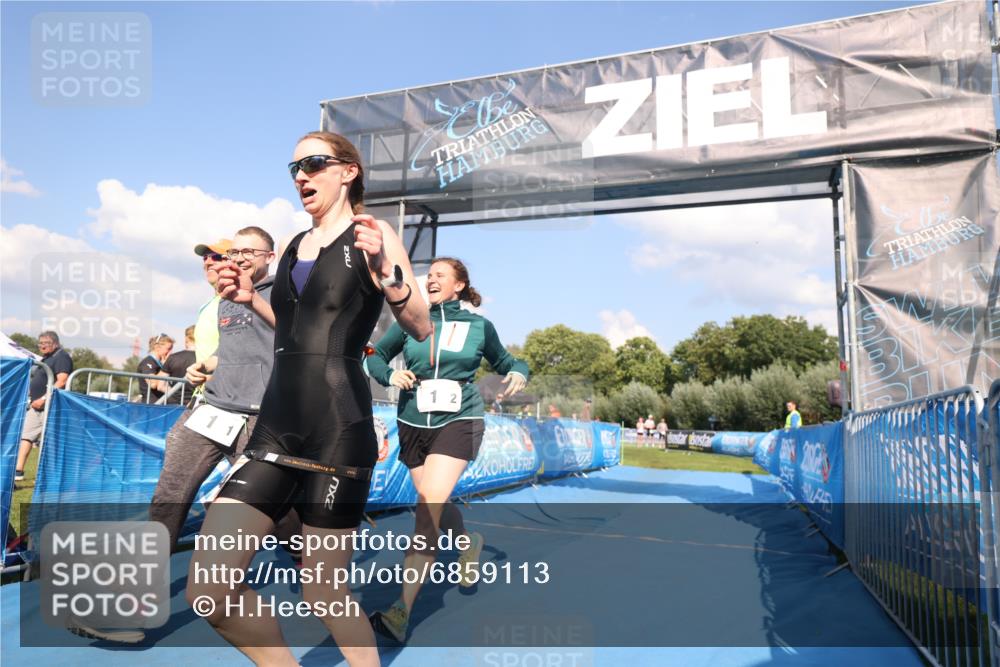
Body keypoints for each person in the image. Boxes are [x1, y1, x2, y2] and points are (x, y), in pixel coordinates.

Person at [186, 131, 430, 667]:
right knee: (210, 590)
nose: (301, 175)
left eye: (314, 163)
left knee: (323, 592)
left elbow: (420, 325)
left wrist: (388, 274)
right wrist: (250, 299)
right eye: (294, 167)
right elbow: (298, 331)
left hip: (337, 432)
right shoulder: (296, 244)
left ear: (348, 171)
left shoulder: (372, 233)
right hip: (275, 429)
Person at [365, 256, 529, 643]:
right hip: (412, 422)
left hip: (460, 420)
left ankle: (400, 611)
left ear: (459, 286)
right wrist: (390, 374)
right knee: (431, 502)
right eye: (430, 275)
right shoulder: (410, 321)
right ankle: (467, 542)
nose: (432, 279)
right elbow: (375, 356)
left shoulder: (479, 326)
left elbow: (509, 360)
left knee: (427, 511)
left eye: (441, 275)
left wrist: (519, 371)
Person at [150, 227, 292, 554]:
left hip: (260, 417)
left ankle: (301, 552)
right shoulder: (225, 297)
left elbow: (296, 335)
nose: (240, 258)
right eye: (235, 252)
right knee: (169, 492)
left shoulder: (284, 292)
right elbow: (228, 350)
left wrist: (255, 299)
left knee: (269, 503)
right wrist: (204, 365)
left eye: (249, 252)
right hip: (214, 408)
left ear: (270, 257)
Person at [14, 331, 72, 482]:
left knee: (51, 442)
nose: (42, 346)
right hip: (36, 407)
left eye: (46, 343)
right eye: (40, 343)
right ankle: (18, 472)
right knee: (26, 436)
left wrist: (44, 399)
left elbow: (62, 381)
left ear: (56, 343)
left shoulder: (61, 357)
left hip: (51, 407)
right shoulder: (45, 358)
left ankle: (47, 476)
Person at [193, 239, 231, 363]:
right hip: (204, 377)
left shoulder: (242, 302)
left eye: (216, 257)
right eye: (205, 258)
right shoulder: (204, 307)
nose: (208, 262)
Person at [158, 325, 196, 404]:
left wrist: (175, 394)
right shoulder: (204, 359)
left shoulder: (173, 358)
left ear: (186, 339)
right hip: (195, 404)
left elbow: (160, 386)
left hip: (173, 403)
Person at [136, 334, 174, 403]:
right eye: (168, 349)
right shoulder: (148, 362)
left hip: (161, 403)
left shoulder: (160, 363)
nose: (171, 352)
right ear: (157, 347)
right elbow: (153, 384)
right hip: (151, 404)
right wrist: (165, 367)